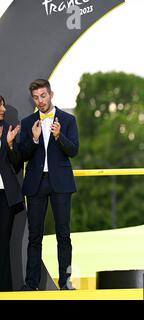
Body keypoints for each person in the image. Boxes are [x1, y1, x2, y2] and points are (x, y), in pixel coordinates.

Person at [19, 79, 79, 290]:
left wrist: (58, 136)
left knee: (64, 235)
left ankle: (66, 282)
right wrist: (34, 140)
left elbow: (73, 150)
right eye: (36, 97)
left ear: (51, 94)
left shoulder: (68, 120)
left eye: (43, 96)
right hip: (36, 184)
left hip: (60, 183)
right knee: (34, 236)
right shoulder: (27, 123)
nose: (40, 101)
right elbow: (21, 155)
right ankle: (31, 284)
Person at [0, 95, 23, 291]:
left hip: (4, 195)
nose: (2, 109)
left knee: (3, 242)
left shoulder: (9, 130)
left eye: (3, 104)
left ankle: (4, 290)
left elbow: (17, 163)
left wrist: (9, 144)